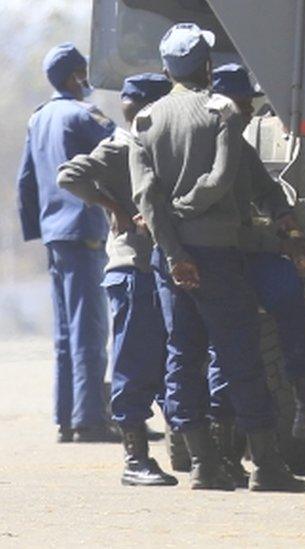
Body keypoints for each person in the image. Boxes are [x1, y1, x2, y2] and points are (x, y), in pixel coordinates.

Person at [129, 23, 305, 493]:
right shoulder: (222, 110)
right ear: (206, 66)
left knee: (182, 358)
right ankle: (267, 466)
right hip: (217, 256)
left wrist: (171, 243)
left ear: (167, 68)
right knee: (240, 356)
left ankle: (204, 464)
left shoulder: (145, 120)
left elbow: (146, 198)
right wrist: (185, 216)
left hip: (172, 259)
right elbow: (221, 178)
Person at [204, 63, 305, 487]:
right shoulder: (198, 142)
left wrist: (292, 232)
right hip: (215, 257)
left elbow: (270, 196)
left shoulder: (242, 148)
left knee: (287, 290)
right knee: (226, 348)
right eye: (244, 103)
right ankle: (220, 448)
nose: (249, 111)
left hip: (250, 253)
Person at [58, 73, 177, 486]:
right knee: (132, 361)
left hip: (164, 267)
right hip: (132, 268)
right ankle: (135, 460)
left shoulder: (162, 145)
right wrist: (113, 206)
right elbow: (69, 175)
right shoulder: (120, 146)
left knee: (169, 360)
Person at [16, 43, 116, 443]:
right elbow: (121, 148)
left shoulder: (38, 119)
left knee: (65, 332)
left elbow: (25, 181)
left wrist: (37, 229)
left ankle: (66, 417)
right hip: (84, 231)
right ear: (76, 76)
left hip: (55, 235)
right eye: (84, 72)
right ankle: (90, 420)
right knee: (89, 328)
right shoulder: (83, 114)